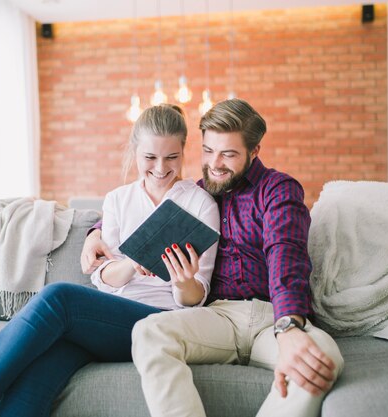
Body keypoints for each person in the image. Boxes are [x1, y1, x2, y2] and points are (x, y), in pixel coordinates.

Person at [0, 104, 220, 417]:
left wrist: (183, 281)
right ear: (134, 152)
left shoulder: (200, 203)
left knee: (60, 297)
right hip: (107, 321)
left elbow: (195, 298)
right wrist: (131, 265)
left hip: (161, 322)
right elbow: (102, 276)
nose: (160, 168)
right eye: (150, 158)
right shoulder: (118, 199)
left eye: (172, 157)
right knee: (42, 367)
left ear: (183, 151)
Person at [82, 98, 344, 417]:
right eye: (208, 151)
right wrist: (94, 230)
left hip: (271, 317)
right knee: (149, 331)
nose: (215, 163)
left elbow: (285, 257)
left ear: (254, 151)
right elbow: (145, 215)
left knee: (323, 357)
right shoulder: (201, 193)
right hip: (218, 316)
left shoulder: (278, 189)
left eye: (229, 154)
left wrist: (288, 326)